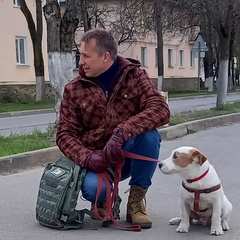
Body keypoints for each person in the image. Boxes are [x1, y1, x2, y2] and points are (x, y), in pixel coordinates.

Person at [56, 28, 170, 229]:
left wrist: (123, 131)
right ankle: (104, 198)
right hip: (97, 160)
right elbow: (64, 134)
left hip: (125, 154)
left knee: (149, 136)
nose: (80, 62)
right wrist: (89, 158)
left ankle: (136, 202)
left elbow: (160, 109)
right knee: (93, 190)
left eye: (85, 56)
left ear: (105, 57)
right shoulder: (74, 89)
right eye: (79, 55)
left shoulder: (134, 77)